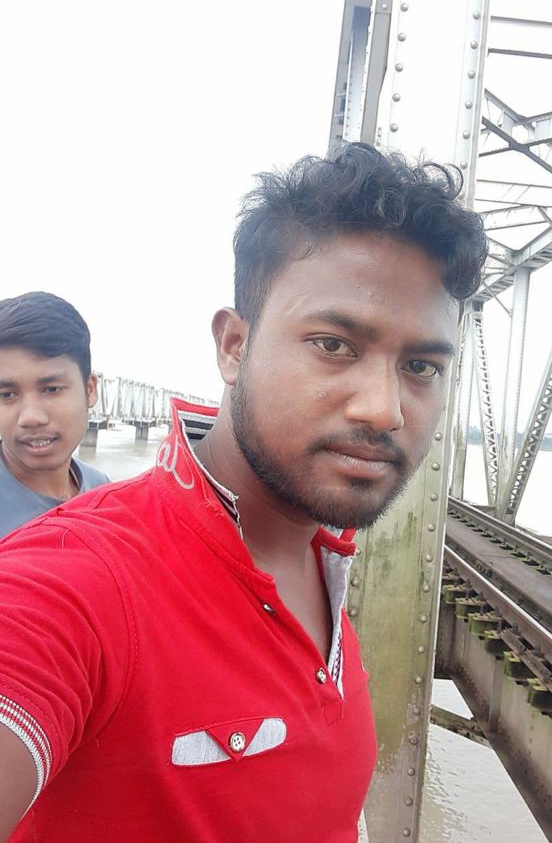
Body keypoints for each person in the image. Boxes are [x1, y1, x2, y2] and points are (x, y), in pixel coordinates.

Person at [0, 143, 486, 842]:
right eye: (334, 345)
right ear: (233, 345)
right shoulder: (77, 579)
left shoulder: (323, 558)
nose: (384, 409)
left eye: (421, 366)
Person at [0, 292, 109, 539]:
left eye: (51, 390)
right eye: (7, 394)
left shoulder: (102, 490)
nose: (31, 417)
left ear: (90, 390)